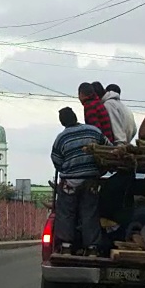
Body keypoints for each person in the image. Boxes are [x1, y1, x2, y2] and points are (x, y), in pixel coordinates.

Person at [51, 107, 112, 256]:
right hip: (90, 181)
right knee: (89, 213)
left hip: (69, 183)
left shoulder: (61, 138)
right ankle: (92, 248)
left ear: (62, 122)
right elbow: (109, 148)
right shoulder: (93, 131)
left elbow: (56, 160)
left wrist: (68, 170)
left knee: (66, 213)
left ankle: (66, 247)